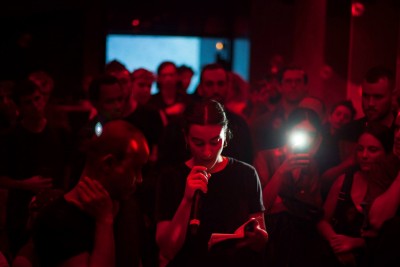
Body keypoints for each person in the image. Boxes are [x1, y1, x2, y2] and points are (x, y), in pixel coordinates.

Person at [155, 99, 268, 267]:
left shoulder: (246, 173)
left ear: (226, 135)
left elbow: (259, 234)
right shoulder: (171, 177)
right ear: (186, 137)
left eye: (215, 142)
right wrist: (187, 200)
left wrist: (259, 237)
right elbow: (167, 250)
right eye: (198, 143)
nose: (207, 152)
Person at [31, 120, 149, 267]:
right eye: (135, 169)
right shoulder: (57, 219)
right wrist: (104, 222)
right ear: (108, 164)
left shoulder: (129, 207)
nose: (140, 179)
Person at [0, 80, 70, 258]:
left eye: (37, 99)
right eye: (28, 102)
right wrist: (24, 184)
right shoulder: (10, 138)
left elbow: (69, 167)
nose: (35, 106)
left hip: (56, 209)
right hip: (21, 213)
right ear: (18, 106)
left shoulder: (59, 132)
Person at [254, 107, 326, 267]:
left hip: (302, 237)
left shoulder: (311, 164)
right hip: (272, 235)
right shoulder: (266, 157)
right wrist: (282, 170)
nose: (306, 139)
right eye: (300, 133)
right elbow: (262, 206)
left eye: (311, 135)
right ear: (288, 133)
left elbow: (313, 209)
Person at [317, 122, 395, 267]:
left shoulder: (393, 189)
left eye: (372, 150)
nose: (364, 155)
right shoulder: (345, 180)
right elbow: (322, 220)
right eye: (360, 149)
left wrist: (356, 243)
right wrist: (337, 242)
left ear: (387, 153)